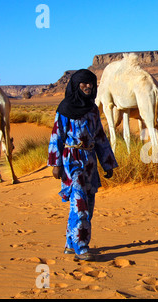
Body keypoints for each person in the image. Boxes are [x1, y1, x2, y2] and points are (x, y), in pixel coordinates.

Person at [48, 69, 118, 261]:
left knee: (88, 203)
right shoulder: (64, 109)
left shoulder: (93, 109)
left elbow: (100, 136)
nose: (88, 87)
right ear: (76, 85)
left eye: (91, 84)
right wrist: (56, 164)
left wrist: (107, 163)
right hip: (71, 159)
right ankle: (81, 246)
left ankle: (70, 243)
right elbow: (57, 136)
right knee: (79, 203)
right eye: (84, 83)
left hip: (90, 161)